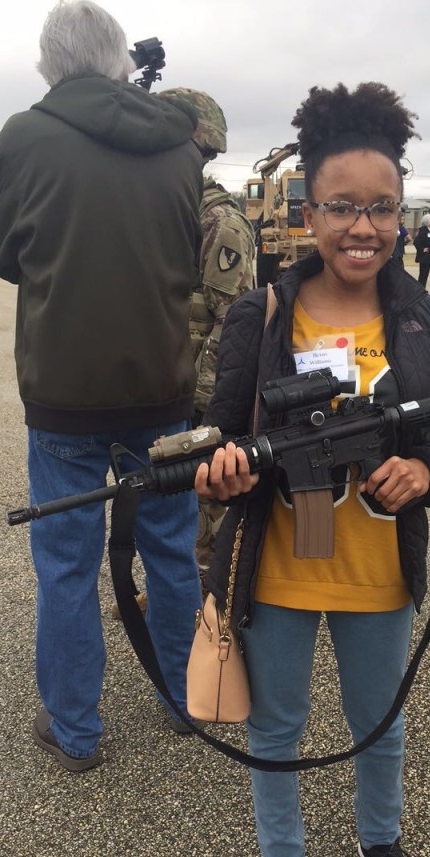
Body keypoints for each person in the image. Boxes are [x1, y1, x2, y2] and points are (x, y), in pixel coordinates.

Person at [195, 81, 430, 857]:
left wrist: (425, 469)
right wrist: (224, 465)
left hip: (377, 568)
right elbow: (221, 428)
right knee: (276, 730)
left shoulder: (419, 316)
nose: (364, 227)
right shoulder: (264, 311)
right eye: (344, 207)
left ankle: (378, 840)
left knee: (378, 721)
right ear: (309, 211)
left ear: (402, 212)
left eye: (383, 208)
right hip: (281, 561)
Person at [0, 0, 204, 769]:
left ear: (50, 65)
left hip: (65, 390)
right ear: (119, 61)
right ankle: (186, 699)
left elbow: (10, 255)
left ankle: (76, 729)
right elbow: (187, 251)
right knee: (173, 549)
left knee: (68, 564)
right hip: (162, 381)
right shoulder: (182, 144)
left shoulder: (22, 136)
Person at [158, 86, 256, 577]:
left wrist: (203, 402)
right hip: (168, 383)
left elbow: (234, 318)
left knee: (206, 502)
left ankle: (210, 602)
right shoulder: (168, 208)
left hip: (198, 390)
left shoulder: (219, 222)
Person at [413, 212, 430, 288]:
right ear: (427, 221)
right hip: (424, 257)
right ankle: (420, 289)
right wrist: (422, 249)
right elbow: (416, 241)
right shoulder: (423, 230)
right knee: (422, 274)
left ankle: (423, 288)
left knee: (426, 275)